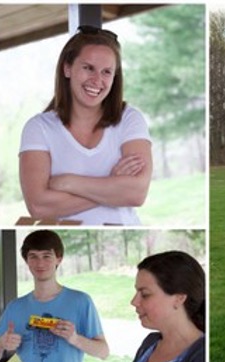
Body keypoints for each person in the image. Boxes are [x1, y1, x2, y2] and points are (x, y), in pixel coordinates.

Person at [29, 251, 206, 362]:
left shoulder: (202, 360)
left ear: (179, 298)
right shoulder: (150, 345)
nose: (134, 302)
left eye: (145, 294)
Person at [20, 25, 151, 225]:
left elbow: (136, 193)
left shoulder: (130, 119)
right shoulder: (38, 128)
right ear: (67, 68)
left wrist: (67, 183)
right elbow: (38, 206)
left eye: (106, 72)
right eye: (88, 68)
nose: (97, 80)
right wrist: (111, 184)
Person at [0, 230, 109, 362]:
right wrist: (1, 343)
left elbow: (103, 352)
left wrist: (75, 338)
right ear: (26, 261)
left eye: (47, 256)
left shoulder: (81, 301)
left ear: (59, 258)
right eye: (33, 256)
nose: (40, 263)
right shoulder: (15, 307)